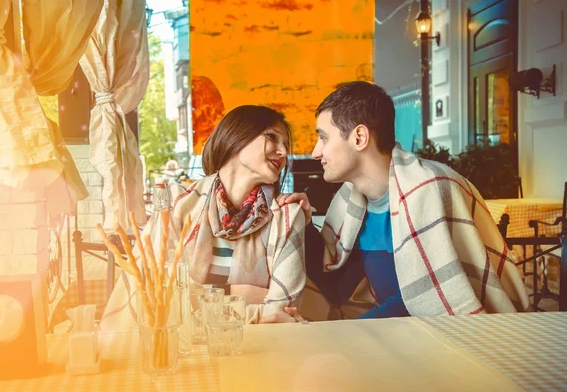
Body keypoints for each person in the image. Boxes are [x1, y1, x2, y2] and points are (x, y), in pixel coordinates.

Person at [280, 81, 530, 321]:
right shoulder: (350, 202)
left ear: (359, 138)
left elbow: (425, 302)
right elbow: (336, 287)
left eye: (323, 138)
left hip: (460, 335)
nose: (315, 151)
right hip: (399, 334)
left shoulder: (428, 188)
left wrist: (347, 333)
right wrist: (304, 224)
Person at [102, 105, 306, 329]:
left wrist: (200, 296)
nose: (283, 153)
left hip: (259, 348)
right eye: (272, 137)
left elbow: (281, 311)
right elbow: (159, 295)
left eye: (285, 146)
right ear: (237, 135)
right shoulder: (178, 204)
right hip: (183, 348)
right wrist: (238, 295)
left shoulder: (286, 215)